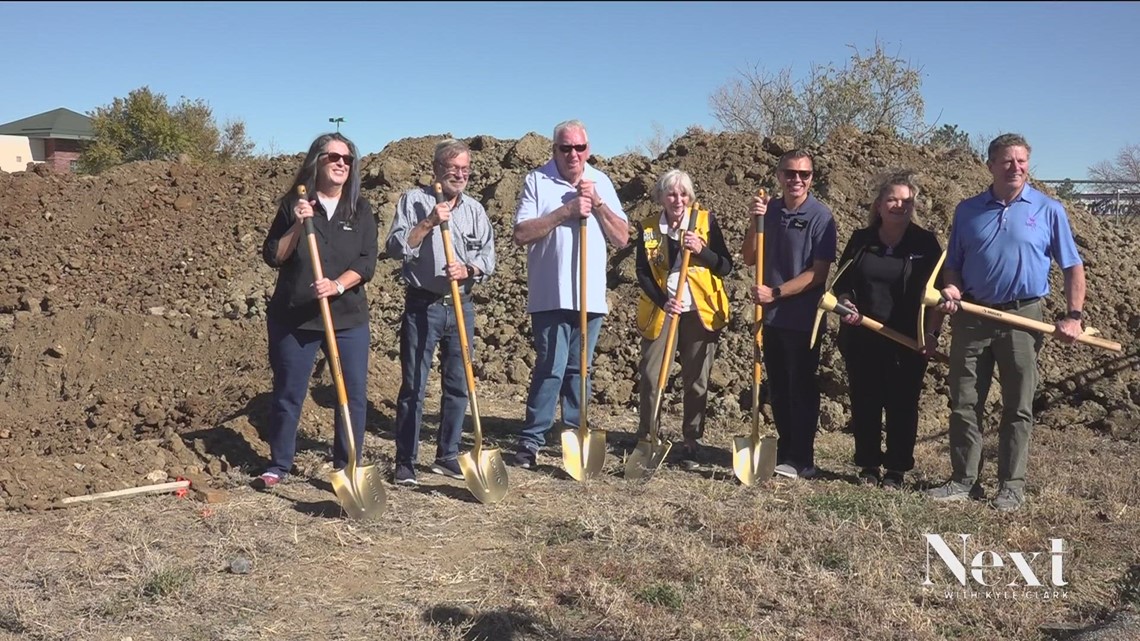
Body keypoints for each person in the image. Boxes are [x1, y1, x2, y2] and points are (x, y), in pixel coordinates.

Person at [927, 133, 1086, 512]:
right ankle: (963, 480)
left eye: (1022, 161)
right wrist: (951, 286)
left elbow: (1072, 266)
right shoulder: (967, 211)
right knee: (964, 401)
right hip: (972, 316)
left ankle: (1011, 486)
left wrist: (1074, 316)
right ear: (991, 166)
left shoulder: (1049, 210)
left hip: (1023, 317)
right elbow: (954, 263)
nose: (1015, 167)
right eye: (1007, 161)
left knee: (1018, 405)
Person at [256, 133, 378, 490]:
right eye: (333, 157)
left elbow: (367, 262)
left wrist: (337, 284)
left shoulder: (360, 209)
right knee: (288, 391)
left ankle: (347, 464)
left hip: (347, 319)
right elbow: (273, 257)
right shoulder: (293, 204)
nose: (342, 163)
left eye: (348, 158)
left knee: (351, 393)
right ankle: (279, 463)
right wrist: (297, 223)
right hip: (294, 318)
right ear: (317, 161)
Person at [510, 119, 630, 468]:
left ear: (588, 150)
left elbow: (622, 237)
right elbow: (521, 234)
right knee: (550, 367)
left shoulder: (601, 181)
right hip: (550, 295)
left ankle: (576, 435)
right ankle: (531, 440)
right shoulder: (537, 180)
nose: (573, 154)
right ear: (555, 150)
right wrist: (566, 211)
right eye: (566, 148)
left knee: (581, 369)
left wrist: (599, 205)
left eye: (580, 148)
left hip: (590, 297)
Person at [385, 139, 496, 487]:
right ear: (437, 170)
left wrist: (469, 270)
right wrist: (430, 222)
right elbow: (395, 246)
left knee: (458, 384)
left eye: (465, 170)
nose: (460, 175)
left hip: (461, 305)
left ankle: (448, 454)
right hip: (423, 304)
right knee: (414, 386)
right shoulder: (413, 201)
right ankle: (406, 461)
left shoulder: (475, 210)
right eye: (453, 170)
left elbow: (488, 259)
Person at [831, 172, 944, 489]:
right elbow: (842, 284)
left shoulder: (925, 244)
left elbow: (937, 295)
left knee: (902, 404)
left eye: (906, 201)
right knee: (865, 400)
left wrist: (931, 335)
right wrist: (847, 304)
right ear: (879, 205)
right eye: (892, 199)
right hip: (862, 336)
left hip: (908, 341)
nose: (899, 205)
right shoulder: (861, 240)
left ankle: (896, 468)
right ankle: (868, 465)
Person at [742, 149, 837, 479]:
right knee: (779, 386)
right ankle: (784, 450)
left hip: (802, 318)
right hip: (770, 318)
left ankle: (803, 457)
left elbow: (819, 273)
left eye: (804, 174)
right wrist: (755, 223)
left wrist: (777, 293)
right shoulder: (768, 211)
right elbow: (749, 258)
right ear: (779, 175)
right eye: (790, 173)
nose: (797, 179)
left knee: (801, 387)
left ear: (812, 178)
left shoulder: (820, 217)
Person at [634, 169, 733, 469]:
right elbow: (642, 272)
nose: (678, 200)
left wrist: (702, 250)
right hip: (664, 310)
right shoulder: (650, 228)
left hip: (700, 310)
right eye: (671, 194)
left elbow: (725, 266)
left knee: (696, 377)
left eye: (683, 194)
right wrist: (665, 302)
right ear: (661, 197)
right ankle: (648, 434)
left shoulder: (705, 222)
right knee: (652, 375)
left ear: (691, 197)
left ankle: (692, 438)